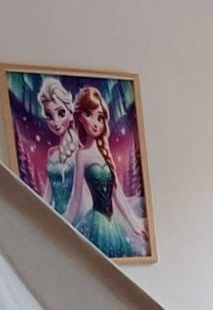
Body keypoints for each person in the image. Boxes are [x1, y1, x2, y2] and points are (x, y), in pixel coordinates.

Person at [38, 79, 149, 258]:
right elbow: (75, 200)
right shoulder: (81, 155)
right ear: (81, 117)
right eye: (89, 115)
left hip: (113, 225)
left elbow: (118, 195)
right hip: (94, 223)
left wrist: (134, 222)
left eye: (100, 117)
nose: (96, 123)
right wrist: (62, 225)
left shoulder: (105, 154)